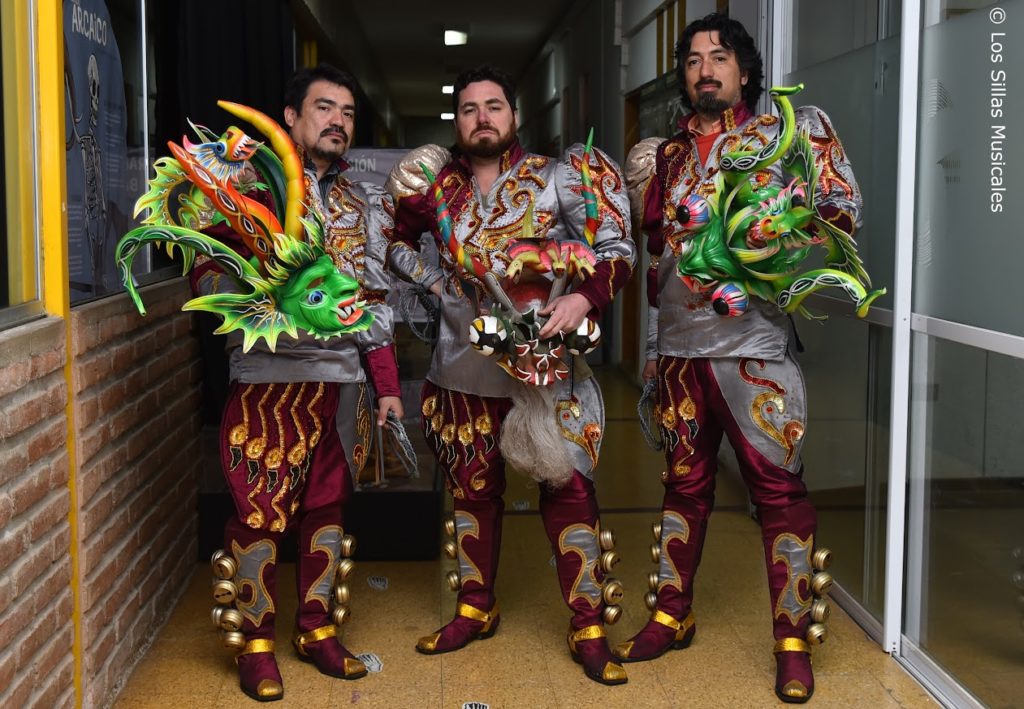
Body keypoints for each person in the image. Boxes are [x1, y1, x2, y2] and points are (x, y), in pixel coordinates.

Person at [616, 13, 861, 704]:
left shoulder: (785, 134)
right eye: (693, 59)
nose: (705, 70)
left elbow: (841, 209)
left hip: (754, 351)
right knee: (682, 487)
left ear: (744, 70)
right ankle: (671, 613)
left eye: (719, 57)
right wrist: (652, 349)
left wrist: (781, 232)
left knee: (778, 494)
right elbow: (656, 261)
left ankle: (793, 641)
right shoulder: (664, 157)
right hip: (679, 354)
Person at [385, 65, 636, 685]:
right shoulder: (436, 188)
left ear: (514, 116)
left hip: (545, 370)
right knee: (472, 496)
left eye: (493, 106)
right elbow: (389, 239)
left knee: (569, 491)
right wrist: (434, 283)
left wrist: (584, 299)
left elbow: (617, 248)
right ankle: (475, 608)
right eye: (469, 109)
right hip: (461, 371)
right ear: (457, 123)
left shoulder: (557, 177)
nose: (482, 118)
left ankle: (588, 624)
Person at [193, 64, 403, 702]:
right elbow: (204, 268)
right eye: (324, 108)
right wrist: (258, 287)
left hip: (340, 382)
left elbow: (374, 300)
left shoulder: (362, 201)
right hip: (268, 378)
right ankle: (255, 644)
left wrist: (387, 384)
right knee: (258, 513)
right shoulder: (248, 184)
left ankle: (317, 629)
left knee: (328, 510)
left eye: (347, 112)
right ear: (291, 117)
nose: (338, 121)